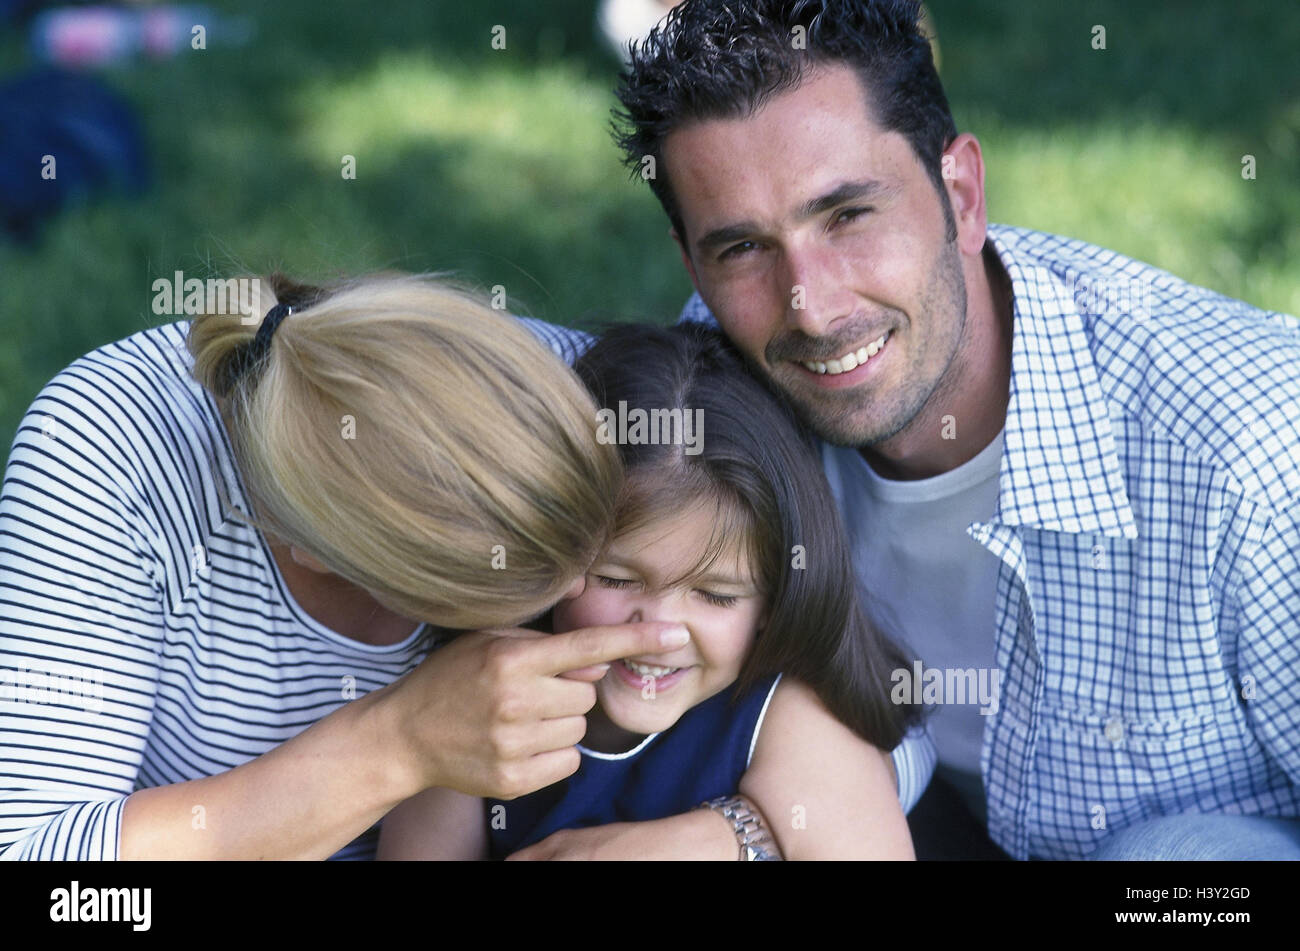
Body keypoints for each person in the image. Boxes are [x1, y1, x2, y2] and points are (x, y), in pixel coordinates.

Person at [587, 0, 1300, 860]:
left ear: (960, 195)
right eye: (743, 249)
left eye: (847, 215)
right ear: (691, 259)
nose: (813, 307)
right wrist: (738, 836)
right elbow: (479, 392)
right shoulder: (714, 375)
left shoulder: (1248, 455)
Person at [0, 271, 699, 860]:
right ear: (308, 547)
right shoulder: (104, 460)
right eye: (502, 595)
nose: (586, 594)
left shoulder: (566, 385)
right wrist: (398, 742)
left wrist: (731, 833)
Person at [377, 323, 919, 860]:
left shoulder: (782, 715)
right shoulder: (481, 684)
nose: (657, 634)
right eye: (615, 579)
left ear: (774, 602)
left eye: (717, 595)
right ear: (548, 553)